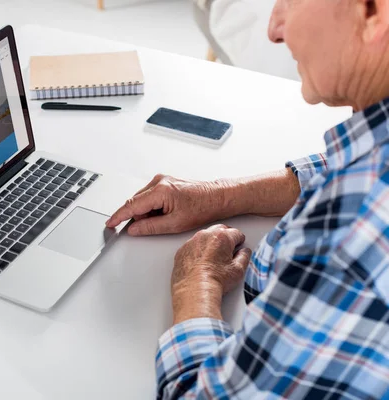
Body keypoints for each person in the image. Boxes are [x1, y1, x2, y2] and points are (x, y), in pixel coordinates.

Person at [106, 0, 389, 398]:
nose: (274, 29)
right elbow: (347, 163)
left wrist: (195, 285)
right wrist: (217, 195)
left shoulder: (348, 246)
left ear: (373, 12)